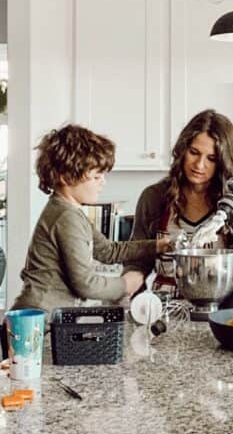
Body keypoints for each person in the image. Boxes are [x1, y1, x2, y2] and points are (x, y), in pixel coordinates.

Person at [11, 124, 166, 313]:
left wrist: (157, 246)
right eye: (96, 177)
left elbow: (108, 251)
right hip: (36, 322)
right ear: (66, 178)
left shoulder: (71, 212)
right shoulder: (66, 217)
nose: (103, 182)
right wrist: (125, 284)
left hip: (43, 318)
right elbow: (85, 284)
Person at [124, 109, 233, 292]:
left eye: (211, 159)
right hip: (165, 312)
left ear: (223, 163)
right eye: (194, 152)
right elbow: (137, 262)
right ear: (182, 151)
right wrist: (122, 288)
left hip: (219, 310)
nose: (199, 165)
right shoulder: (154, 198)